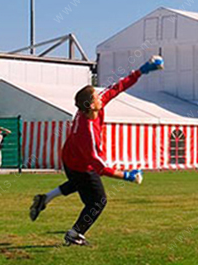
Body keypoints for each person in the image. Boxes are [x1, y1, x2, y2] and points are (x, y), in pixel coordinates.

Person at [28, 56, 164, 246]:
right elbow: (98, 166)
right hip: (80, 163)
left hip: (70, 157)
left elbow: (118, 87)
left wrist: (142, 70)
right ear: (92, 105)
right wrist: (128, 176)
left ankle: (45, 199)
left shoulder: (90, 108)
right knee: (97, 201)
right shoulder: (88, 132)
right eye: (96, 96)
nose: (100, 96)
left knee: (78, 184)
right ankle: (75, 234)